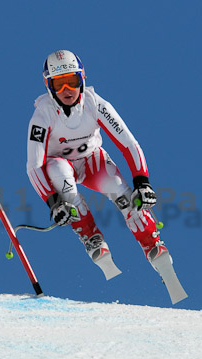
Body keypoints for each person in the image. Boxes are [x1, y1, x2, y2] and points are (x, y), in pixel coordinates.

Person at [26, 50, 185, 302]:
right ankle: (90, 235)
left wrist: (142, 182)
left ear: (83, 80)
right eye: (59, 83)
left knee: (121, 193)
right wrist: (54, 202)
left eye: (73, 81)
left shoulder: (95, 103)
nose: (67, 89)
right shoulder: (42, 116)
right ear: (49, 87)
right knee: (61, 178)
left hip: (92, 161)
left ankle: (152, 243)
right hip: (60, 164)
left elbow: (129, 143)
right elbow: (34, 165)